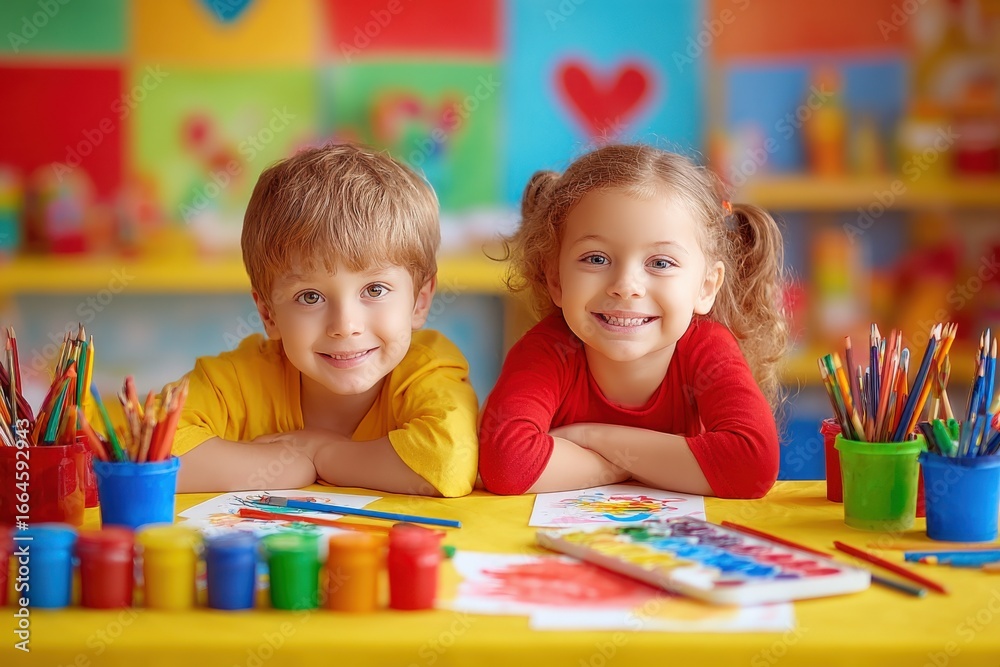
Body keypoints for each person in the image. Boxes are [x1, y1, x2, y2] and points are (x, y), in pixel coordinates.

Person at [478, 144, 787, 498]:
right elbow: (506, 467)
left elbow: (751, 468)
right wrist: (637, 464)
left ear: (706, 286)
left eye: (660, 263)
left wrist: (592, 438)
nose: (626, 287)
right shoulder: (548, 350)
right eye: (596, 258)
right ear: (556, 280)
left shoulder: (707, 349)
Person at [172, 143, 479, 497]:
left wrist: (322, 452)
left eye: (375, 290)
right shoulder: (236, 382)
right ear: (268, 314)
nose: (345, 325)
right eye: (310, 297)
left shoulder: (427, 369)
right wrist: (290, 465)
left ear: (419, 300)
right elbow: (148, 452)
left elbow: (447, 463)